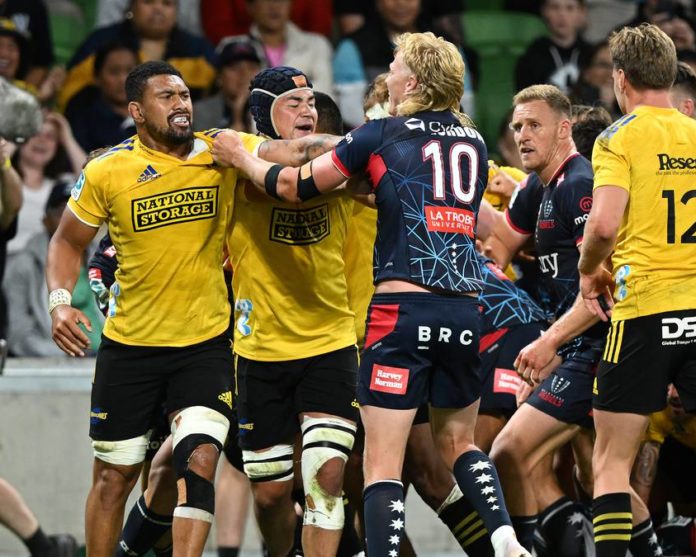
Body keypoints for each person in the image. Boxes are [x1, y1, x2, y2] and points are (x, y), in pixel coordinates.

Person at [213, 31, 531, 557]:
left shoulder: (382, 134)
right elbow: (487, 225)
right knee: (459, 447)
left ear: (415, 80)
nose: (389, 69)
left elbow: (294, 185)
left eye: (396, 63)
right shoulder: (473, 142)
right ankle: (504, 537)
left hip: (398, 312)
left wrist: (243, 159)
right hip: (464, 309)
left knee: (381, 466)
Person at [45, 60, 338, 557]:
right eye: (167, 96)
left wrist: (371, 143)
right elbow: (66, 242)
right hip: (130, 349)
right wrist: (58, 303)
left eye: (184, 94)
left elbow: (290, 152)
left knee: (199, 461)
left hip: (204, 347)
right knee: (115, 479)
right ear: (137, 110)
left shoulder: (220, 149)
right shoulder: (106, 169)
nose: (181, 103)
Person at [577, 22, 696, 557]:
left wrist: (588, 269)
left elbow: (602, 227)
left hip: (646, 311)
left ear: (620, 79)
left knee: (610, 464)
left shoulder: (618, 138)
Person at [333, 0, 476, 128]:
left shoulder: (447, 45)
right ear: (378, 3)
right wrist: (400, 135)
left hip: (438, 138)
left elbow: (464, 104)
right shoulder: (352, 47)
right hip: (375, 146)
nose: (401, 3)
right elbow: (351, 112)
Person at [5, 178, 103, 356]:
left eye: (79, 211)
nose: (72, 219)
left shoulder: (106, 258)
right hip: (53, 367)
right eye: (61, 212)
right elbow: (18, 331)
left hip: (110, 359)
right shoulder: (25, 265)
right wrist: (67, 357)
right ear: (45, 220)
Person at [59, 0, 217, 110]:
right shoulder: (101, 43)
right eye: (148, 2)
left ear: (176, 11)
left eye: (167, 3)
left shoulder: (199, 51)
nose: (158, 9)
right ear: (131, 7)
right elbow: (71, 96)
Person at [8, 112, 87, 255]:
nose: (41, 140)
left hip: (48, 267)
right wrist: (16, 133)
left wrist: (67, 138)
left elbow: (93, 178)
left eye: (50, 136)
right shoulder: (6, 182)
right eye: (34, 132)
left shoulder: (61, 186)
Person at [244, 0, 333, 94]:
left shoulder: (317, 45)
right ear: (250, 6)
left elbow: (325, 93)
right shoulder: (235, 48)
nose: (274, 7)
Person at [65, 41, 139, 153]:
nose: (123, 79)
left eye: (130, 70)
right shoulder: (82, 112)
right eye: (114, 72)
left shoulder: (155, 110)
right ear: (97, 78)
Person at [515, 0, 593, 94]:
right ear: (544, 11)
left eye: (570, 8)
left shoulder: (591, 55)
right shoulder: (532, 55)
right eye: (554, 7)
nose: (562, 14)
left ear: (581, 13)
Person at [193, 37, 262, 133]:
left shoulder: (271, 109)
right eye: (235, 67)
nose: (244, 74)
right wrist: (237, 119)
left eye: (251, 67)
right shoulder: (201, 112)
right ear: (219, 77)